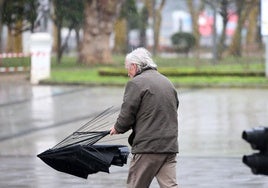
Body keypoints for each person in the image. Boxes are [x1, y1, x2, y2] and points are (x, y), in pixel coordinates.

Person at [110, 47, 179, 188]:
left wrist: (118, 128)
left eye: (128, 69)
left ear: (134, 66)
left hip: (148, 148)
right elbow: (174, 106)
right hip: (169, 146)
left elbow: (128, 112)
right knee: (170, 186)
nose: (128, 74)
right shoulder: (167, 82)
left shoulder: (136, 83)